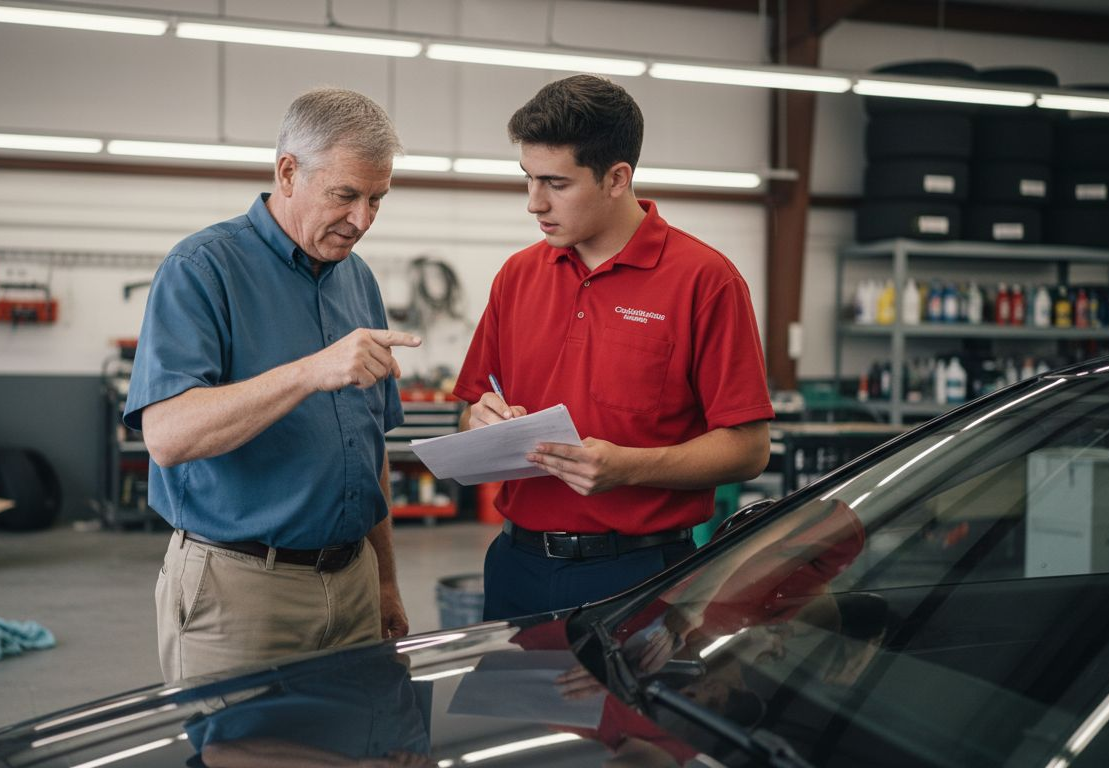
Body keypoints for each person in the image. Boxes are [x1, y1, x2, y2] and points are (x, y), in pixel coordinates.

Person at [125, 87, 421, 683]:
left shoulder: (357, 279)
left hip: (355, 582)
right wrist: (312, 371)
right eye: (345, 195)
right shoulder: (202, 269)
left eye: (376, 199)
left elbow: (370, 450)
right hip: (240, 592)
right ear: (288, 172)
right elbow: (168, 434)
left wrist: (384, 580)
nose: (361, 220)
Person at [453, 74, 774, 621]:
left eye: (555, 183)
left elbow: (749, 449)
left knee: (627, 712)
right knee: (515, 712)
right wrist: (479, 422)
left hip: (640, 576)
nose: (534, 203)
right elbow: (470, 409)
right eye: (528, 179)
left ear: (616, 178)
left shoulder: (705, 281)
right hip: (516, 565)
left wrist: (628, 468)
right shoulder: (517, 275)